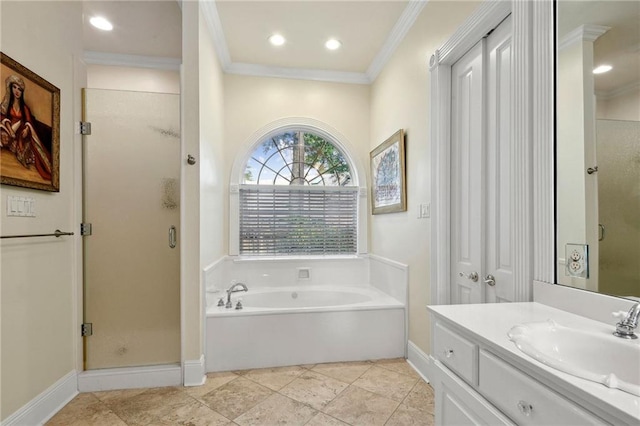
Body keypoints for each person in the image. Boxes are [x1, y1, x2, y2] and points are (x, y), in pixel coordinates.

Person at [0, 74, 52, 180]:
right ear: (11, 88)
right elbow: (3, 117)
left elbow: (28, 121)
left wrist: (27, 129)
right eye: (14, 87)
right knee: (4, 135)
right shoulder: (6, 105)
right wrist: (10, 130)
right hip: (8, 130)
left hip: (20, 134)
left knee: (25, 147)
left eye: (19, 89)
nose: (17, 91)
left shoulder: (25, 108)